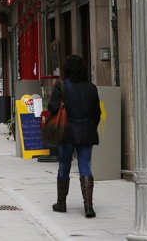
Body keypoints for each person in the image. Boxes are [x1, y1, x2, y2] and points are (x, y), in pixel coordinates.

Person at [48, 54, 101, 218]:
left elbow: (52, 107)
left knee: (64, 165)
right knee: (85, 165)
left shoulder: (62, 86)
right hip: (86, 131)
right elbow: (97, 113)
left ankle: (61, 203)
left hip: (67, 132)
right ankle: (88, 206)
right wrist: (91, 125)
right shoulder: (92, 88)